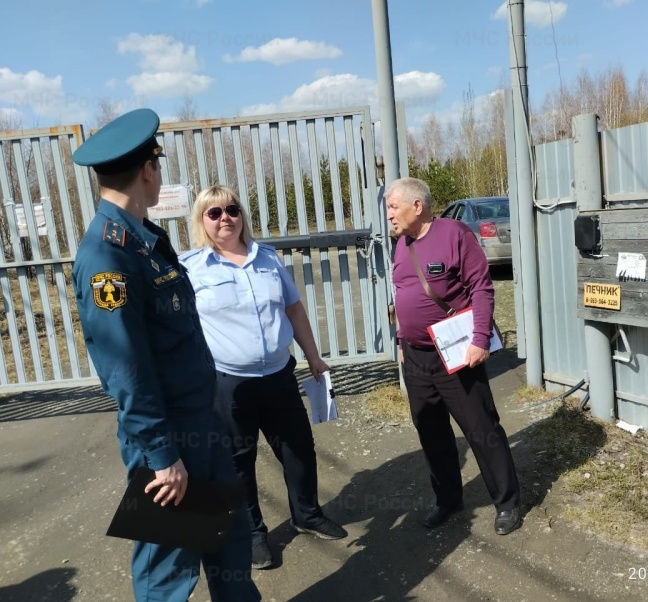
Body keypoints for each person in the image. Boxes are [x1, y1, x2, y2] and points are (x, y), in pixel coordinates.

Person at [71, 109, 261, 600]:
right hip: (168, 441)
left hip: (203, 423)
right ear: (147, 170)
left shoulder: (144, 241)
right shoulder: (107, 256)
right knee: (168, 574)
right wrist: (161, 455)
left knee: (231, 547)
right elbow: (124, 368)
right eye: (158, 166)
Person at [179, 185, 347, 570]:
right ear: (202, 220)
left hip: (278, 375)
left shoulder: (267, 259)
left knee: (298, 449)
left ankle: (307, 514)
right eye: (214, 212)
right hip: (228, 384)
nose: (226, 218)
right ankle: (253, 534)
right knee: (239, 461)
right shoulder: (191, 268)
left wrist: (314, 357)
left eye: (232, 210)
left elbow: (294, 310)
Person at [385, 177, 522, 536]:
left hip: (457, 353)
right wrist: (401, 339)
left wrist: (479, 339)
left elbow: (481, 286)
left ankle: (507, 502)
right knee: (431, 433)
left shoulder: (454, 233)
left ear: (417, 205)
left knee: (481, 429)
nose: (388, 215)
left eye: (392, 206)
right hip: (416, 358)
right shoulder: (402, 245)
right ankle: (447, 499)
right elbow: (402, 294)